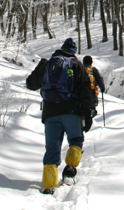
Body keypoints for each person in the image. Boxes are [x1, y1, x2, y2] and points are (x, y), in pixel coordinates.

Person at [25, 38, 97, 194]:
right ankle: (69, 171)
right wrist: (88, 114)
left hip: (50, 113)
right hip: (72, 112)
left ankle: (49, 186)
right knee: (76, 141)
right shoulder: (77, 65)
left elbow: (30, 84)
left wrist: (41, 66)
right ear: (73, 52)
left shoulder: (49, 64)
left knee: (52, 149)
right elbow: (86, 92)